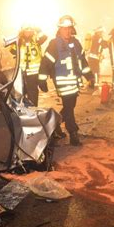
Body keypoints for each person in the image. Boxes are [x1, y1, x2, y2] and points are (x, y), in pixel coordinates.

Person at [38, 15, 95, 146]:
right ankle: (73, 133)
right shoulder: (54, 44)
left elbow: (83, 61)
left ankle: (55, 124)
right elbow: (46, 63)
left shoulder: (76, 43)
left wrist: (90, 76)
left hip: (74, 83)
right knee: (69, 109)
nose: (67, 31)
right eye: (64, 29)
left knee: (70, 106)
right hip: (63, 83)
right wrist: (42, 79)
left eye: (69, 28)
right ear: (59, 29)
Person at [8, 25, 47, 106]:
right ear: (23, 31)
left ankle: (33, 109)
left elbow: (44, 37)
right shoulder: (19, 41)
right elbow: (12, 50)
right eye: (26, 31)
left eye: (30, 31)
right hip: (21, 72)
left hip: (34, 72)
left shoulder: (36, 40)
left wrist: (38, 28)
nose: (28, 33)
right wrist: (18, 40)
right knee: (20, 91)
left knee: (33, 92)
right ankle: (24, 109)